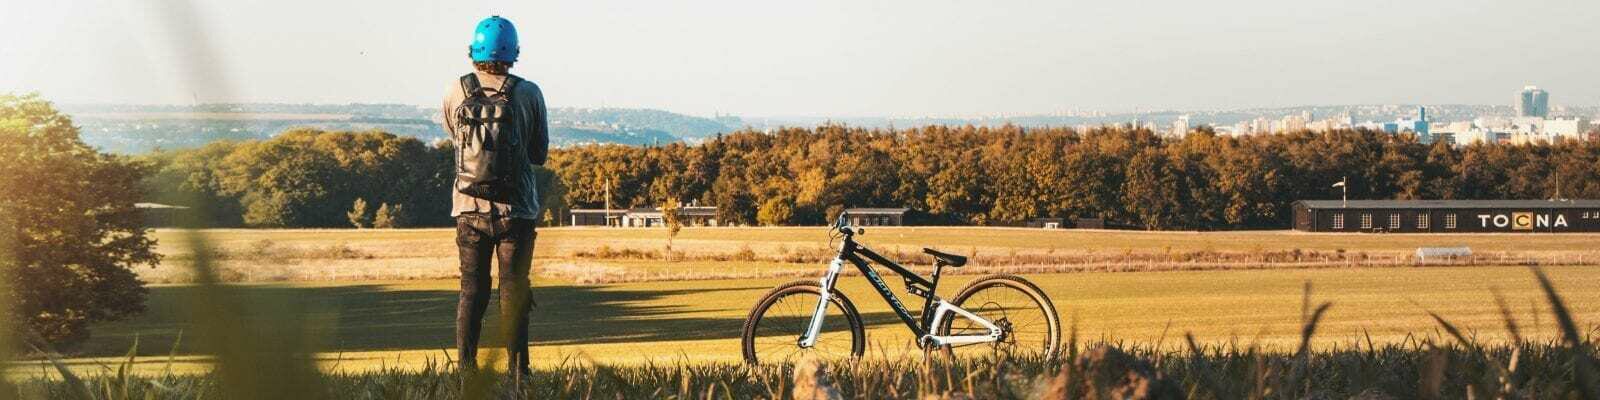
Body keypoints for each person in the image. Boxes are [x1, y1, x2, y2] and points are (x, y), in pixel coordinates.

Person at [442, 15, 548, 375]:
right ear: (513, 52)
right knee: (513, 290)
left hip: (468, 208)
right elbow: (539, 154)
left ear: (474, 51)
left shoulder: (456, 90)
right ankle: (519, 373)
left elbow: (455, 140)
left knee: (471, 290)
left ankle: (466, 370)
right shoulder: (529, 92)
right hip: (516, 210)